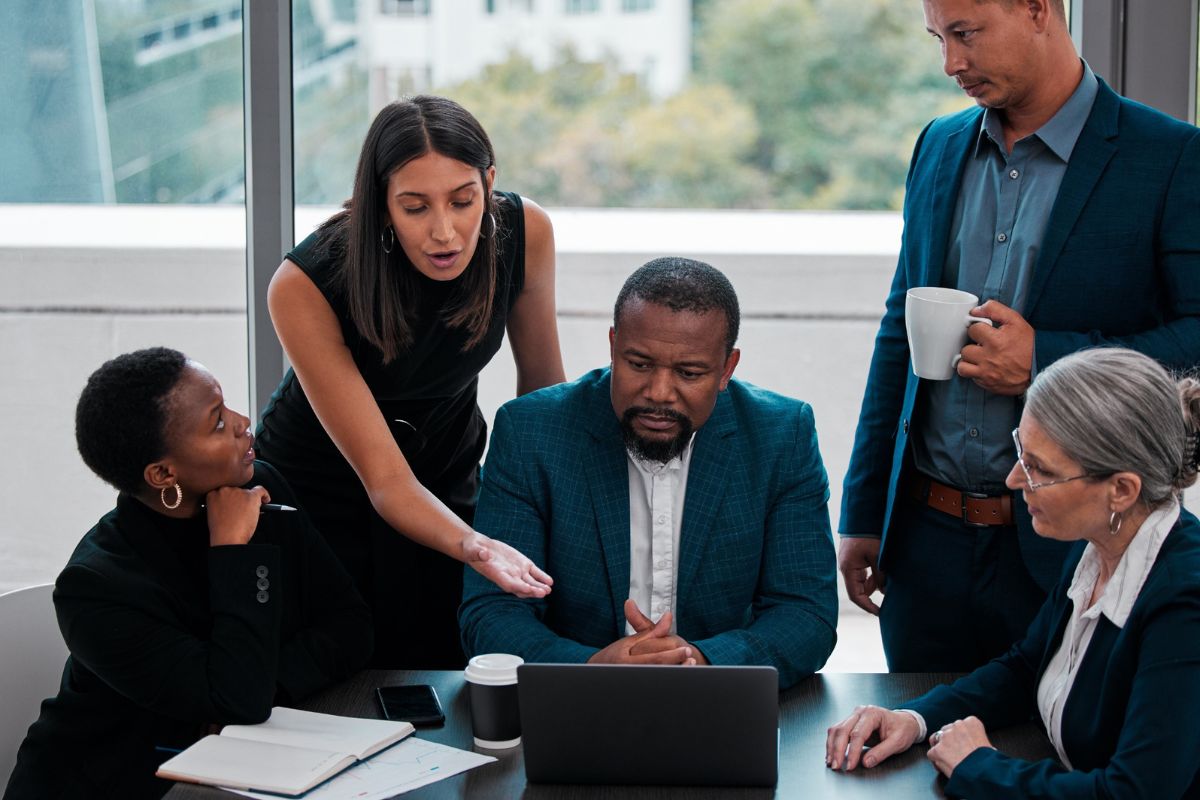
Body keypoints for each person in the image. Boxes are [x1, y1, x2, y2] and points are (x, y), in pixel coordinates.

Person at [839, 0, 1200, 671]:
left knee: (1055, 762)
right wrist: (863, 514)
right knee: (913, 758)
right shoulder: (938, 146)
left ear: (1038, 9)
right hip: (924, 544)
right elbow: (899, 328)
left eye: (966, 34)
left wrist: (1046, 359)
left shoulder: (1173, 157)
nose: (951, 63)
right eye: (938, 38)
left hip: (1077, 546)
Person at [255, 95, 565, 668]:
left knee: (448, 660)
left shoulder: (525, 232)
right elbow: (385, 482)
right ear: (380, 204)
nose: (444, 232)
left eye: (464, 201)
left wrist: (561, 514)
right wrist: (477, 545)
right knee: (342, 670)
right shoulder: (306, 282)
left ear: (488, 182)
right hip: (324, 488)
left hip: (444, 466)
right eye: (415, 206)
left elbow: (544, 398)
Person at [826, 347, 1200, 798]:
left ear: (1121, 490)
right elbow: (1027, 668)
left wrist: (981, 766)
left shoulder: (1185, 603)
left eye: (1039, 469)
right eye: (1022, 450)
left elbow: (1134, 792)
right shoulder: (1100, 540)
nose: (1014, 480)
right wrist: (915, 718)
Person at [3, 348, 372, 800]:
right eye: (217, 422)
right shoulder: (96, 589)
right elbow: (240, 697)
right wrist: (232, 552)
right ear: (162, 473)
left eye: (227, 405)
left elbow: (351, 627)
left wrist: (247, 692)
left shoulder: (260, 489)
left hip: (245, 774)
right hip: (116, 786)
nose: (242, 422)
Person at [459, 257, 837, 690]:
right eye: (638, 364)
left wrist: (699, 660)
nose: (659, 393)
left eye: (688, 373)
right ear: (613, 346)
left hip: (720, 704)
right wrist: (589, 668)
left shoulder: (780, 436)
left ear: (727, 369)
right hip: (573, 707)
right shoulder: (531, 432)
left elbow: (806, 614)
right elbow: (491, 613)